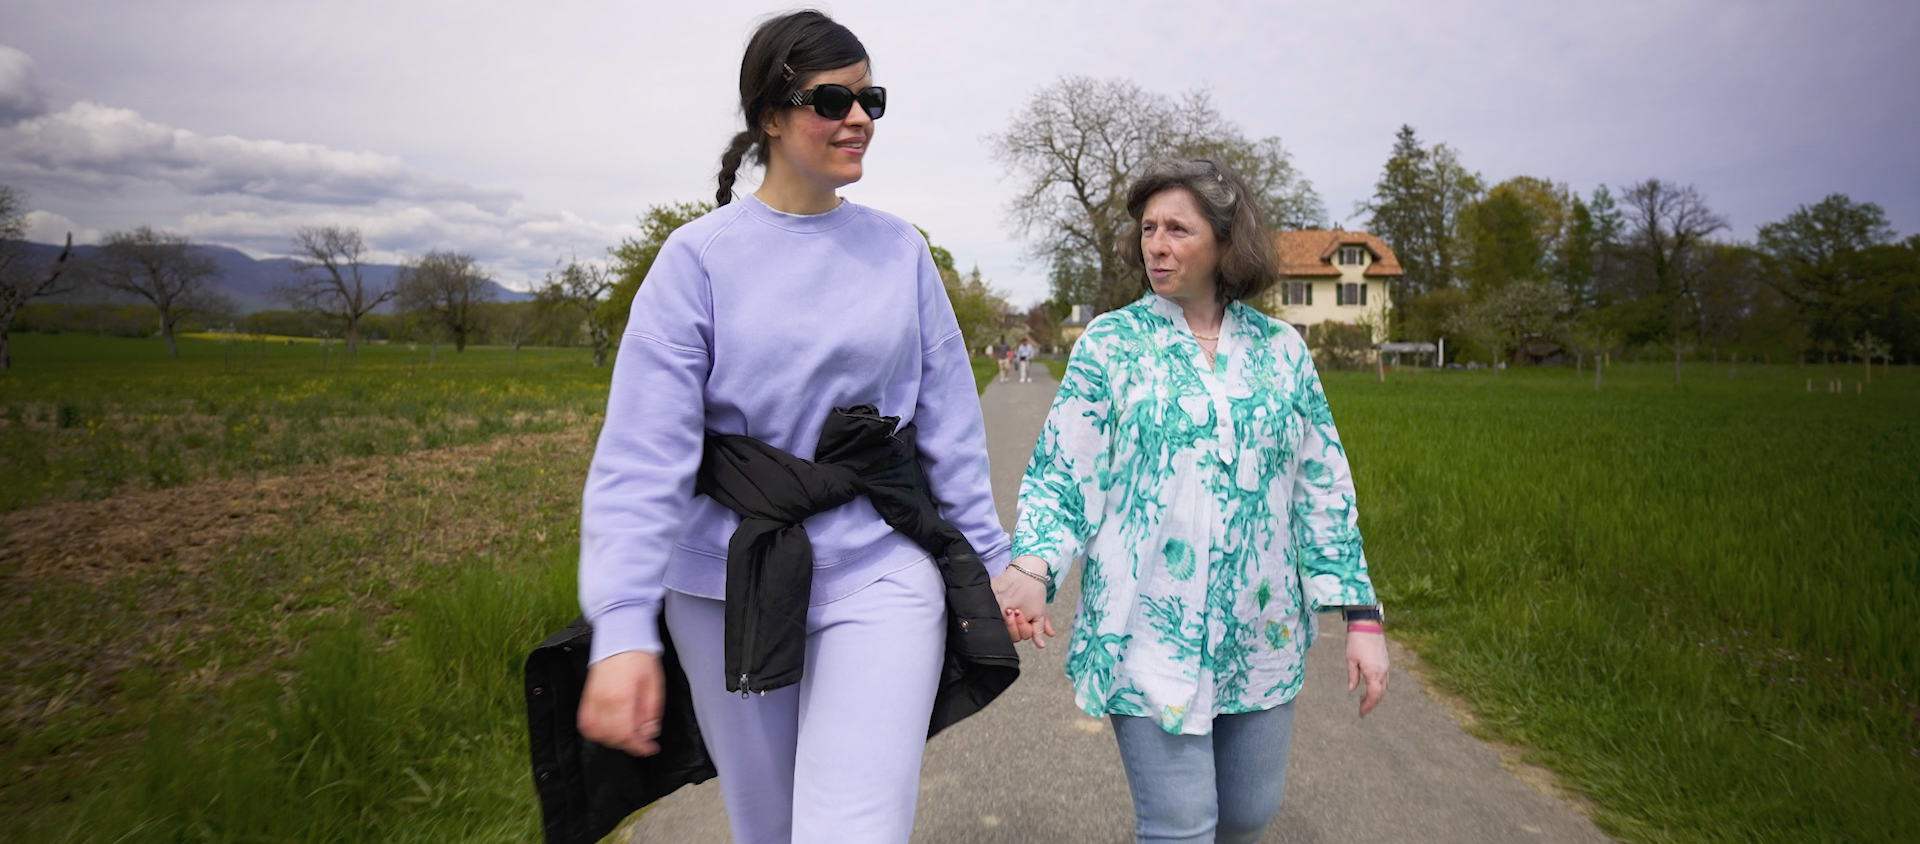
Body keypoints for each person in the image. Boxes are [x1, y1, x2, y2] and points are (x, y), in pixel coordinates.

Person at [573, 11, 1013, 844]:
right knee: (766, 828)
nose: (859, 119)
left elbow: (949, 421)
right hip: (724, 587)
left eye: (870, 99)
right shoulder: (696, 258)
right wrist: (624, 624)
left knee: (849, 828)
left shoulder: (900, 251)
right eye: (832, 100)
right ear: (769, 116)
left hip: (879, 571)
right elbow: (642, 457)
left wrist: (990, 559)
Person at [990, 158, 1389, 844]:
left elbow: (1322, 486)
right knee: (1180, 824)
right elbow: (1064, 473)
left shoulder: (1283, 352)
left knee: (1245, 816)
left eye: (1177, 227)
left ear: (1226, 242)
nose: (1156, 243)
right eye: (1148, 228)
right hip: (1146, 627)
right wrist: (1033, 570)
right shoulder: (1111, 345)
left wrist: (1362, 616)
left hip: (1259, 631)